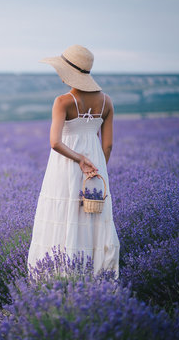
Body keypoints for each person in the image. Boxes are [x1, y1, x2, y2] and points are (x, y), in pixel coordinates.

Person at [26, 44, 120, 279]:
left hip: (66, 166)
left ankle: (59, 275)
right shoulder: (106, 102)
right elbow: (107, 145)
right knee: (93, 217)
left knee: (62, 213)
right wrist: (96, 170)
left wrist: (79, 159)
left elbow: (55, 143)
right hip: (96, 167)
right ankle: (97, 275)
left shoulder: (63, 102)